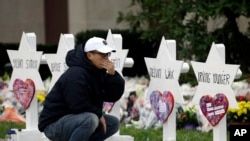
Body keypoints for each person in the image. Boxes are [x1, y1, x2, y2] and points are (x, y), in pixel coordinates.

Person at [38, 37, 125, 141]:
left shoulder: (98, 72)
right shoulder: (76, 73)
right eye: (102, 54)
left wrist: (113, 75)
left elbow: (112, 96)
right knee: (91, 119)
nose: (106, 58)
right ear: (89, 55)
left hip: (75, 119)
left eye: (107, 54)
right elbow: (77, 104)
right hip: (53, 124)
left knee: (113, 123)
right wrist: (98, 114)